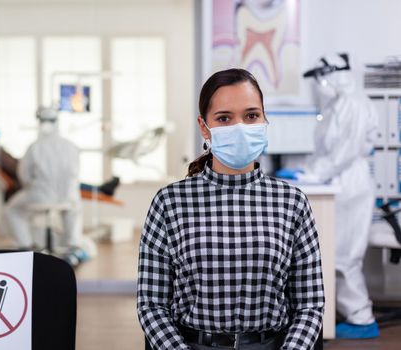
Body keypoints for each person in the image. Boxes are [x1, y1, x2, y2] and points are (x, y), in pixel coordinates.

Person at [137, 69, 324, 350]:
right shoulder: (170, 202)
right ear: (204, 127)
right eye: (224, 118)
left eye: (251, 116)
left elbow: (310, 305)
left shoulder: (292, 201)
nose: (240, 127)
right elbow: (151, 304)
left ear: (264, 119)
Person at [299, 54, 378, 339]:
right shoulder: (338, 105)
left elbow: (346, 150)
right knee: (336, 250)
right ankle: (353, 314)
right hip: (340, 179)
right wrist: (308, 170)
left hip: (350, 183)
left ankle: (361, 319)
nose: (318, 86)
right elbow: (328, 150)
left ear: (331, 75)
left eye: (320, 78)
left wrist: (314, 174)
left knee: (345, 253)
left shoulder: (352, 103)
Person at [0, 113, 87, 257]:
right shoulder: (71, 146)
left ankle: (25, 246)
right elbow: (76, 173)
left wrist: (32, 186)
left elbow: (24, 175)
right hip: (68, 196)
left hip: (40, 195)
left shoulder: (35, 146)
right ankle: (73, 246)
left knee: (11, 210)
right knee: (74, 208)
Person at [0, 121, 120, 202]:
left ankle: (101, 189)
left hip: (35, 180)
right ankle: (101, 189)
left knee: (67, 181)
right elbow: (17, 169)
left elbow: (17, 165)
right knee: (64, 182)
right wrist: (34, 163)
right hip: (31, 184)